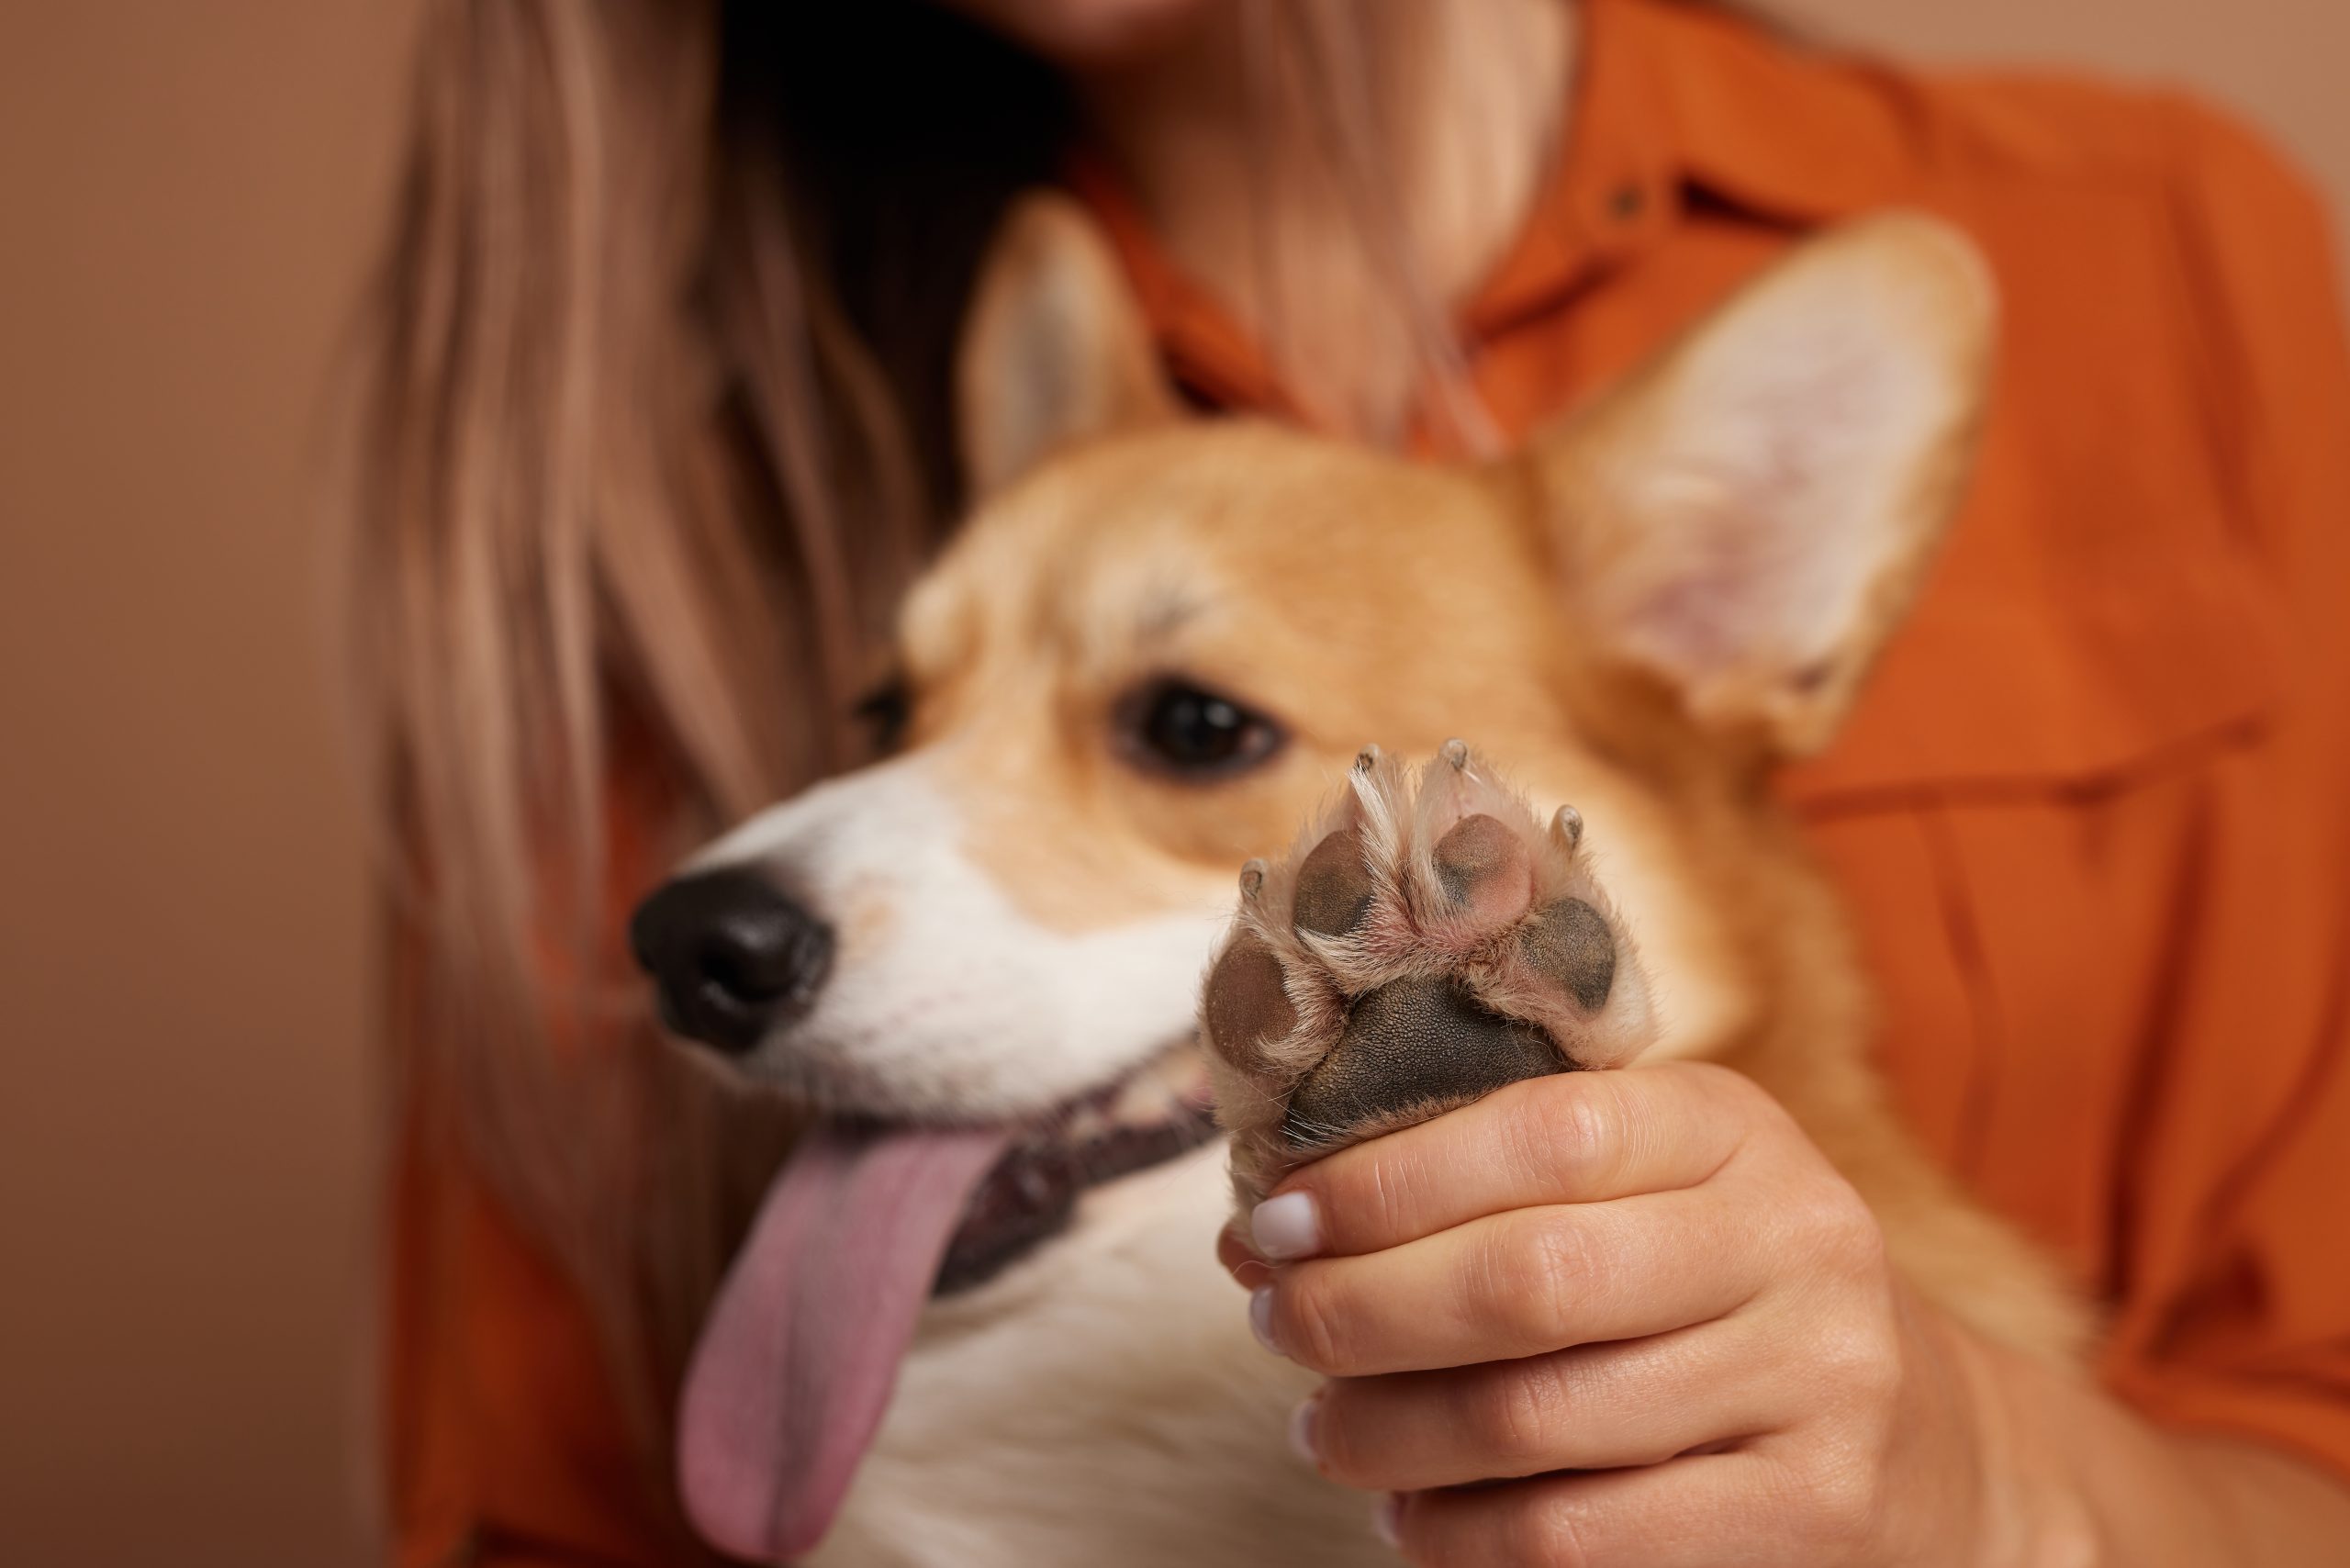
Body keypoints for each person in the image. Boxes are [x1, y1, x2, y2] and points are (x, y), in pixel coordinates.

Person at [355, 0, 2350, 1562]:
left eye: (1190, 726)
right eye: (894, 712)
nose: (815, 837)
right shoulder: (651, 539)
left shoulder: (2149, 244)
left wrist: (1987, 1483)